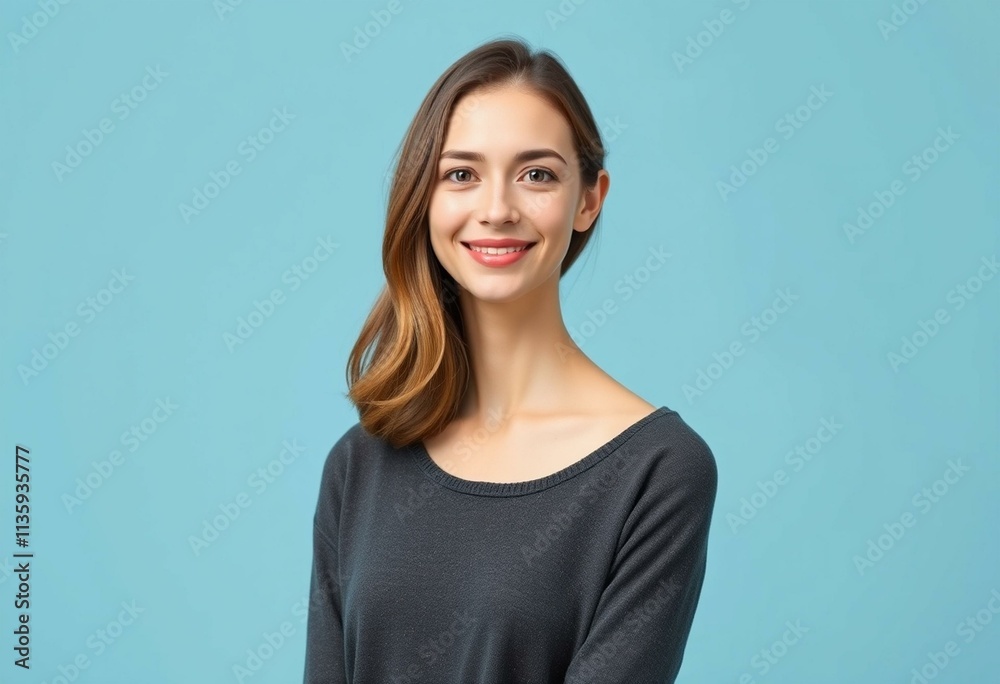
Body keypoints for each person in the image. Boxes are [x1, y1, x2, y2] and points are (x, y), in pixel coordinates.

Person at [304, 36, 718, 684]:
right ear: (425, 197)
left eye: (537, 175)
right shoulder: (359, 464)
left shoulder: (658, 472)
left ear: (590, 199)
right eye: (461, 174)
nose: (497, 210)